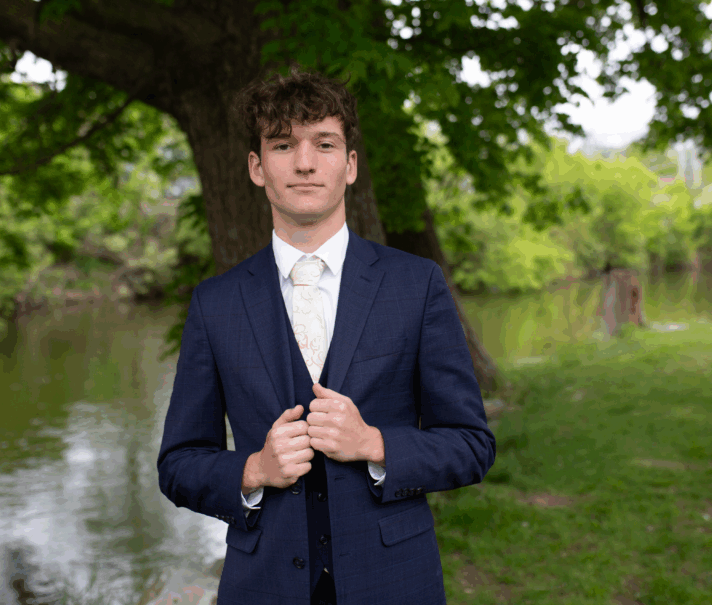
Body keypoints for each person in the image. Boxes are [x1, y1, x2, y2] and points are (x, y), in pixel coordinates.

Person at [157, 68, 496, 605]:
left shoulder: (416, 283)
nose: (306, 162)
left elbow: (472, 445)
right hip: (262, 586)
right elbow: (177, 465)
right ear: (256, 167)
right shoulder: (215, 302)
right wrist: (252, 469)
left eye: (325, 143)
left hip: (395, 584)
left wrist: (376, 444)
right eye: (284, 144)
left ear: (351, 165)